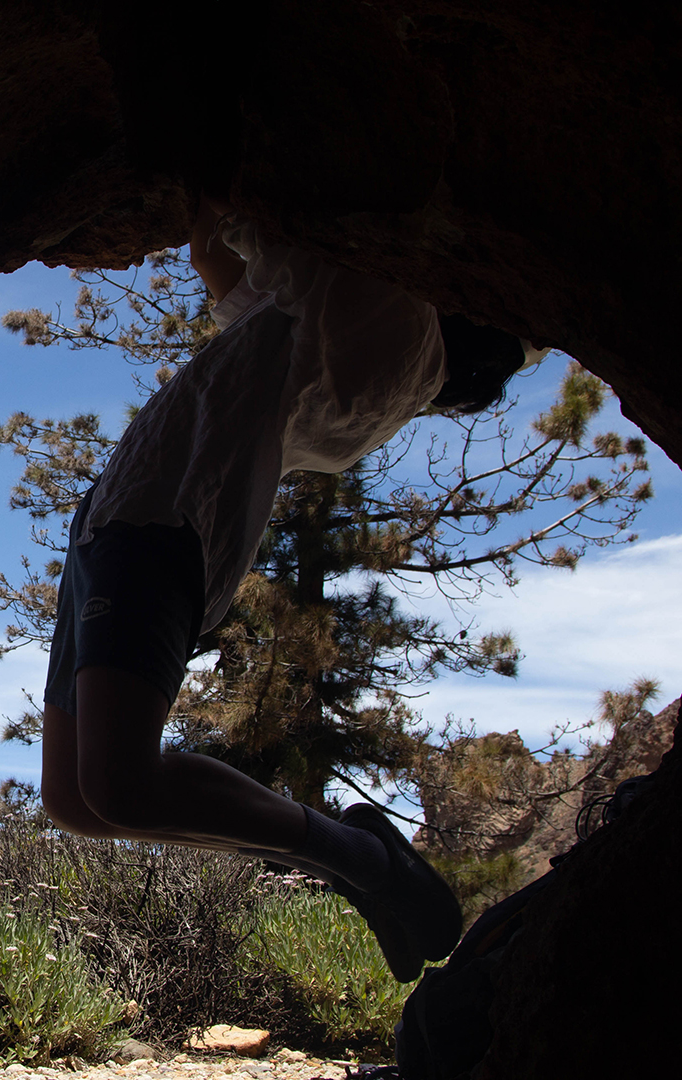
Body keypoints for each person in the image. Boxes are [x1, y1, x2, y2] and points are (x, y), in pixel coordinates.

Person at [41, 196, 544, 983]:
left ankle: (362, 859)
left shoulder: (393, 333)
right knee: (74, 801)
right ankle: (350, 859)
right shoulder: (361, 336)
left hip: (163, 518)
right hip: (122, 517)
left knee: (118, 786)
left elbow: (266, 222)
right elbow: (226, 262)